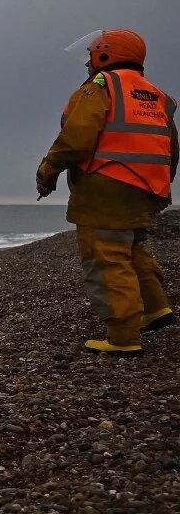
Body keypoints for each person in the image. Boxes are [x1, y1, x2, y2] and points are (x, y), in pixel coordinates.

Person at [37, 29, 176, 356]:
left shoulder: (102, 87)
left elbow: (77, 138)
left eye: (92, 54)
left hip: (105, 188)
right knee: (133, 250)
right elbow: (172, 149)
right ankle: (156, 309)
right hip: (146, 189)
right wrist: (158, 189)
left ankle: (123, 336)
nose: (87, 63)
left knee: (107, 258)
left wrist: (47, 170)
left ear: (105, 55)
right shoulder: (157, 96)